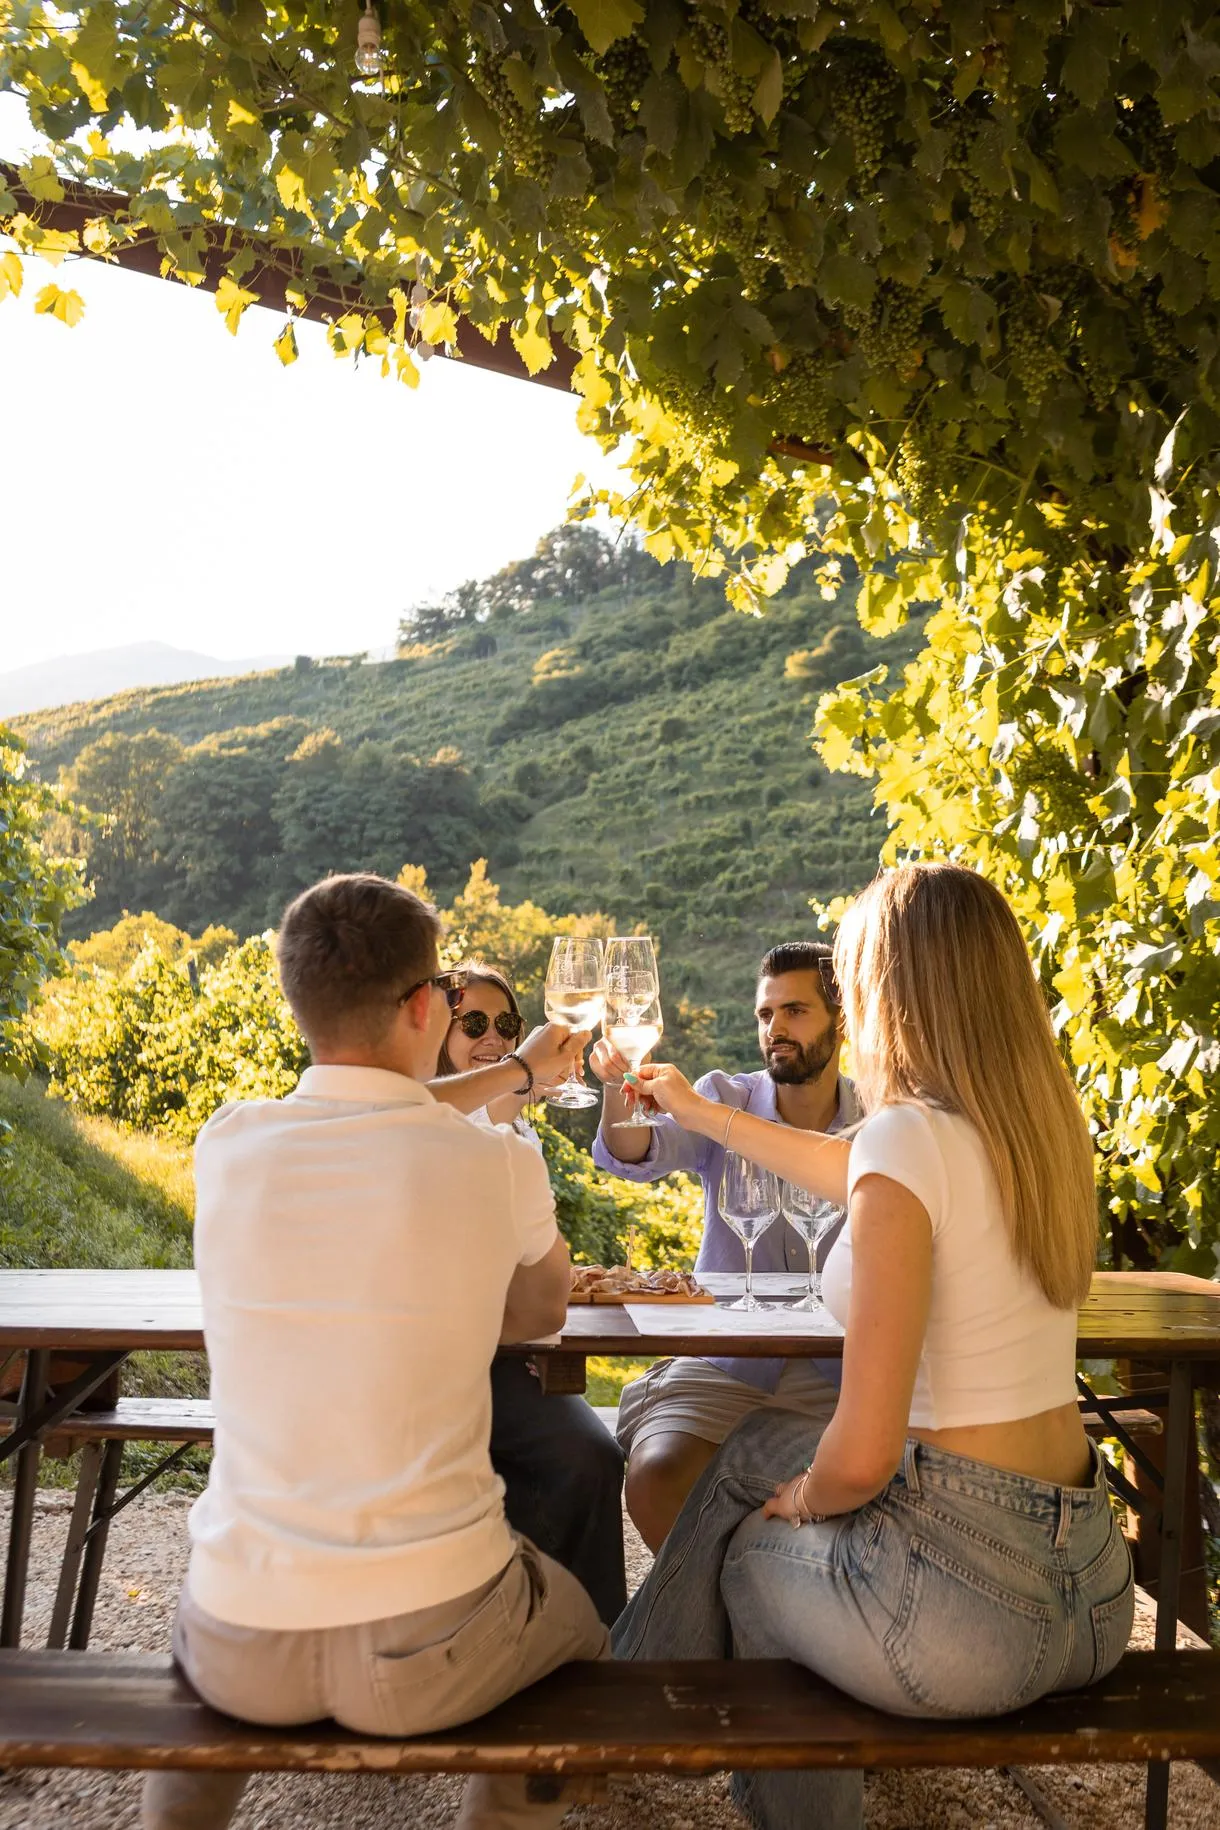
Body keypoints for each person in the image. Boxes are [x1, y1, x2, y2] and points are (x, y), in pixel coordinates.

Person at [612, 863, 1134, 1830]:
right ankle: (632, 1688)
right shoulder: (1036, 1130)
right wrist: (702, 1115)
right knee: (750, 1455)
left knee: (750, 1553)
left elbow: (861, 1459)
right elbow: (848, 1161)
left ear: (892, 990)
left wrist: (799, 1509)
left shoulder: (906, 1140)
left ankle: (627, 1706)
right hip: (1094, 1590)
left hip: (975, 1614)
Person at [144, 873, 609, 1830]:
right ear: (423, 1005)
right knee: (585, 1637)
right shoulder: (496, 1162)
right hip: (434, 1639)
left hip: (240, 1636)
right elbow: (538, 1313)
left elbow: (382, 1100)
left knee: (200, 1694)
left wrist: (512, 1072)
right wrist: (522, 1090)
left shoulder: (227, 1142)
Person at [590, 940, 861, 1549]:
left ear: (841, 1020)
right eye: (766, 1015)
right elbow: (634, 1152)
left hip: (845, 1370)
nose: (776, 1029)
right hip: (728, 1362)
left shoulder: (877, 1117)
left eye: (795, 1011)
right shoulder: (720, 1098)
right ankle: (726, 1614)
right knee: (657, 1474)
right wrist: (617, 1088)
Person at [436, 959, 627, 1625]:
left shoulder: (513, 1133)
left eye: (509, 1024)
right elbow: (526, 1306)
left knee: (594, 1452)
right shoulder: (430, 1123)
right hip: (467, 1360)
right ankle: (575, 1635)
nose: (496, 1035)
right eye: (475, 1023)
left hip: (503, 1351)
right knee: (585, 1456)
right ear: (434, 1027)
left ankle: (584, 1632)